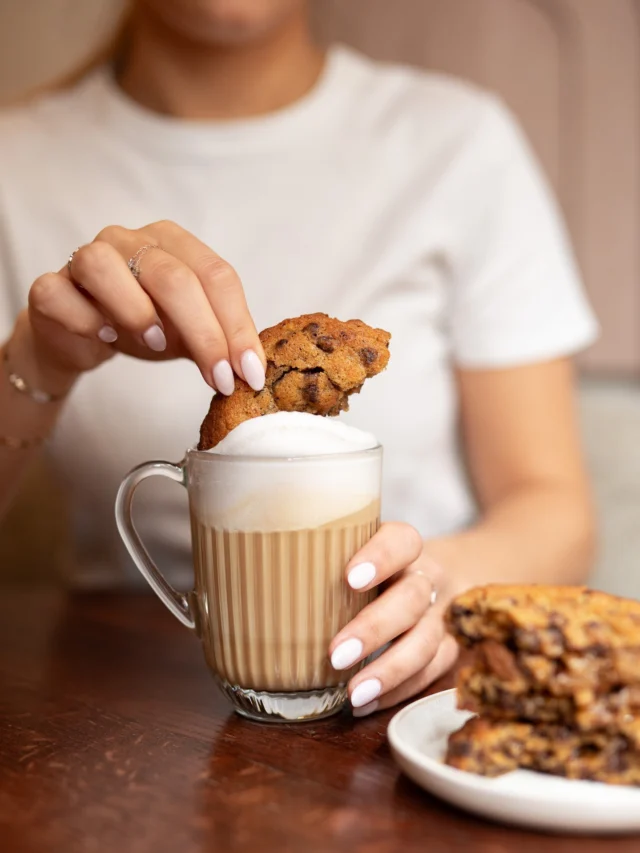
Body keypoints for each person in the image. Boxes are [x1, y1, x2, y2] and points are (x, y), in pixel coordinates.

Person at [0, 0, 598, 717]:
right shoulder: (18, 164)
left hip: (417, 703)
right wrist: (39, 360)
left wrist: (443, 582)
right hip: (120, 714)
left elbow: (557, 509)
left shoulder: (458, 141)